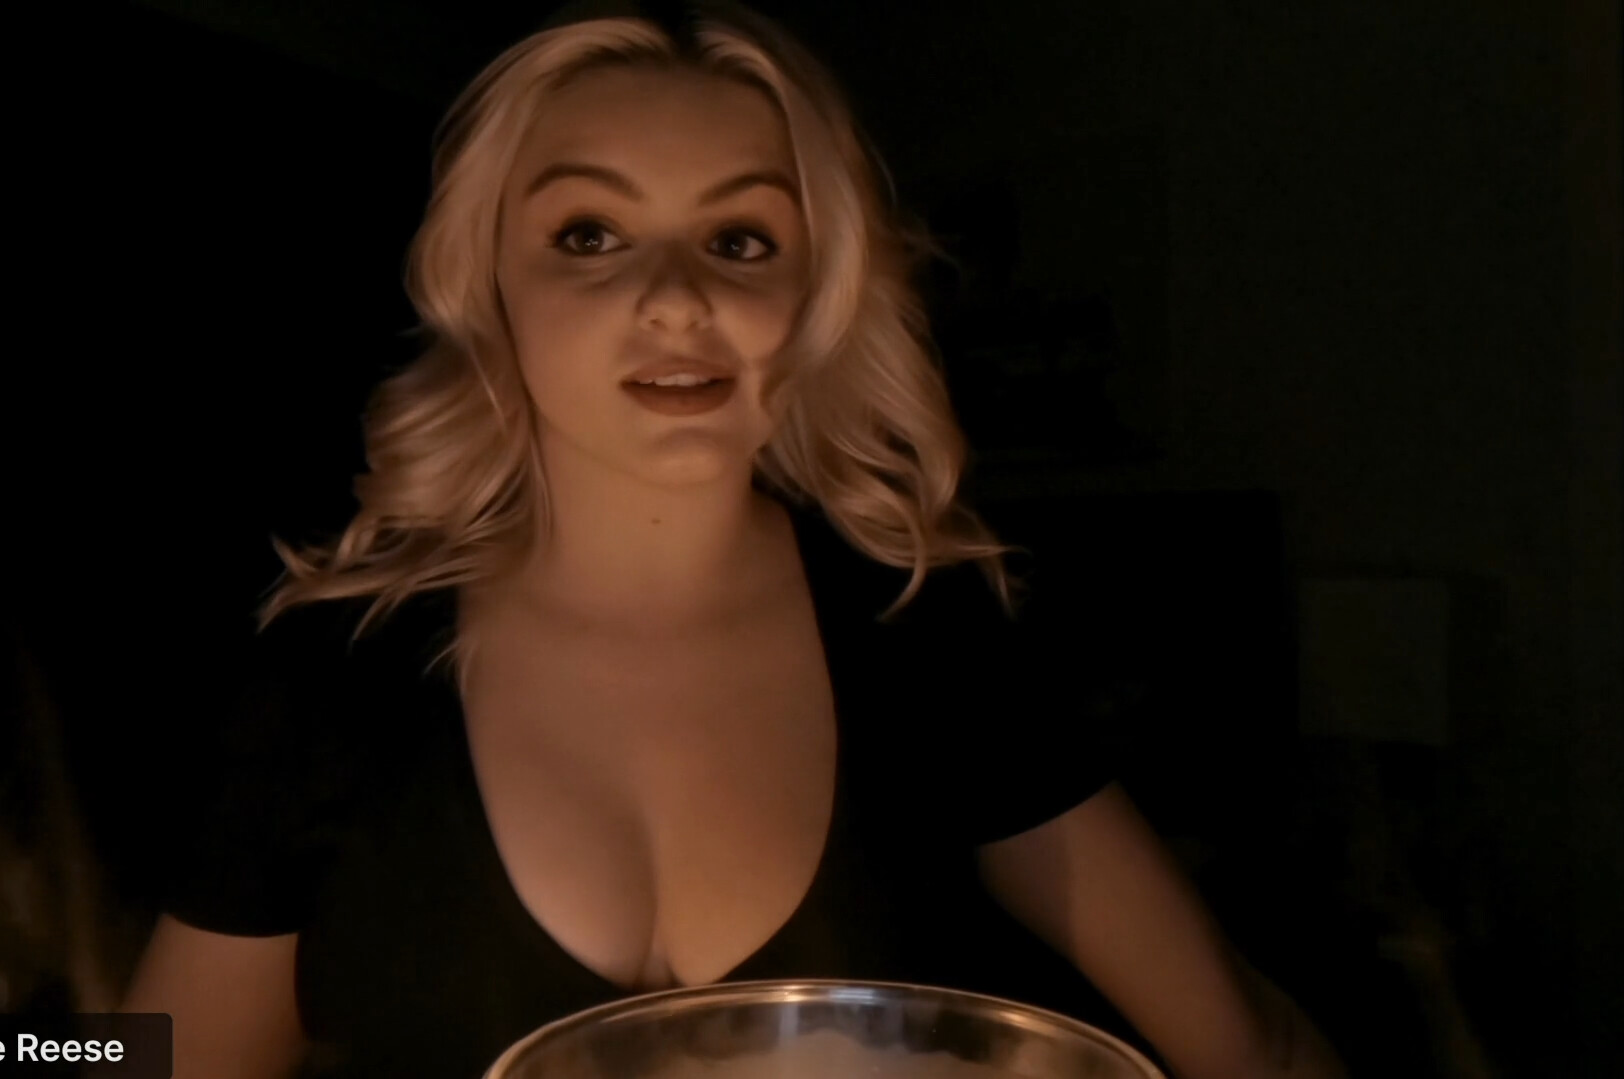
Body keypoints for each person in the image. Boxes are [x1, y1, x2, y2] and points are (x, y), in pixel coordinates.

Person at [121, 3, 1350, 1077]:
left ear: (813, 297)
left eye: (740, 240)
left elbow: (1246, 1044)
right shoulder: (335, 677)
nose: (675, 298)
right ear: (492, 286)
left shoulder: (923, 634)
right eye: (588, 234)